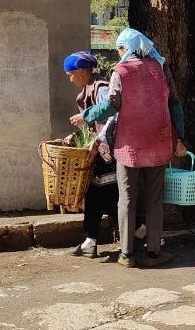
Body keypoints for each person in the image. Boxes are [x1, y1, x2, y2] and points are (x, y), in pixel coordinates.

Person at [74, 28, 186, 268]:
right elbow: (174, 104)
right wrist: (180, 138)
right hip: (158, 143)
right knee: (154, 200)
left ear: (128, 47)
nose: (118, 53)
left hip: (128, 146)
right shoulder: (161, 68)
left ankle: (126, 254)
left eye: (120, 48)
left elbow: (111, 106)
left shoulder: (120, 71)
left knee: (126, 199)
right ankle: (154, 252)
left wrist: (86, 115)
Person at [62, 51, 124, 258]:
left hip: (108, 153)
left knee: (105, 195)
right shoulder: (88, 90)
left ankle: (136, 230)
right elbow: (93, 124)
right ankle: (93, 240)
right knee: (101, 195)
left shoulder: (101, 89)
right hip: (98, 151)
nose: (70, 78)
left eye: (71, 74)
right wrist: (76, 136)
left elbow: (111, 118)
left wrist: (97, 141)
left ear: (81, 72)